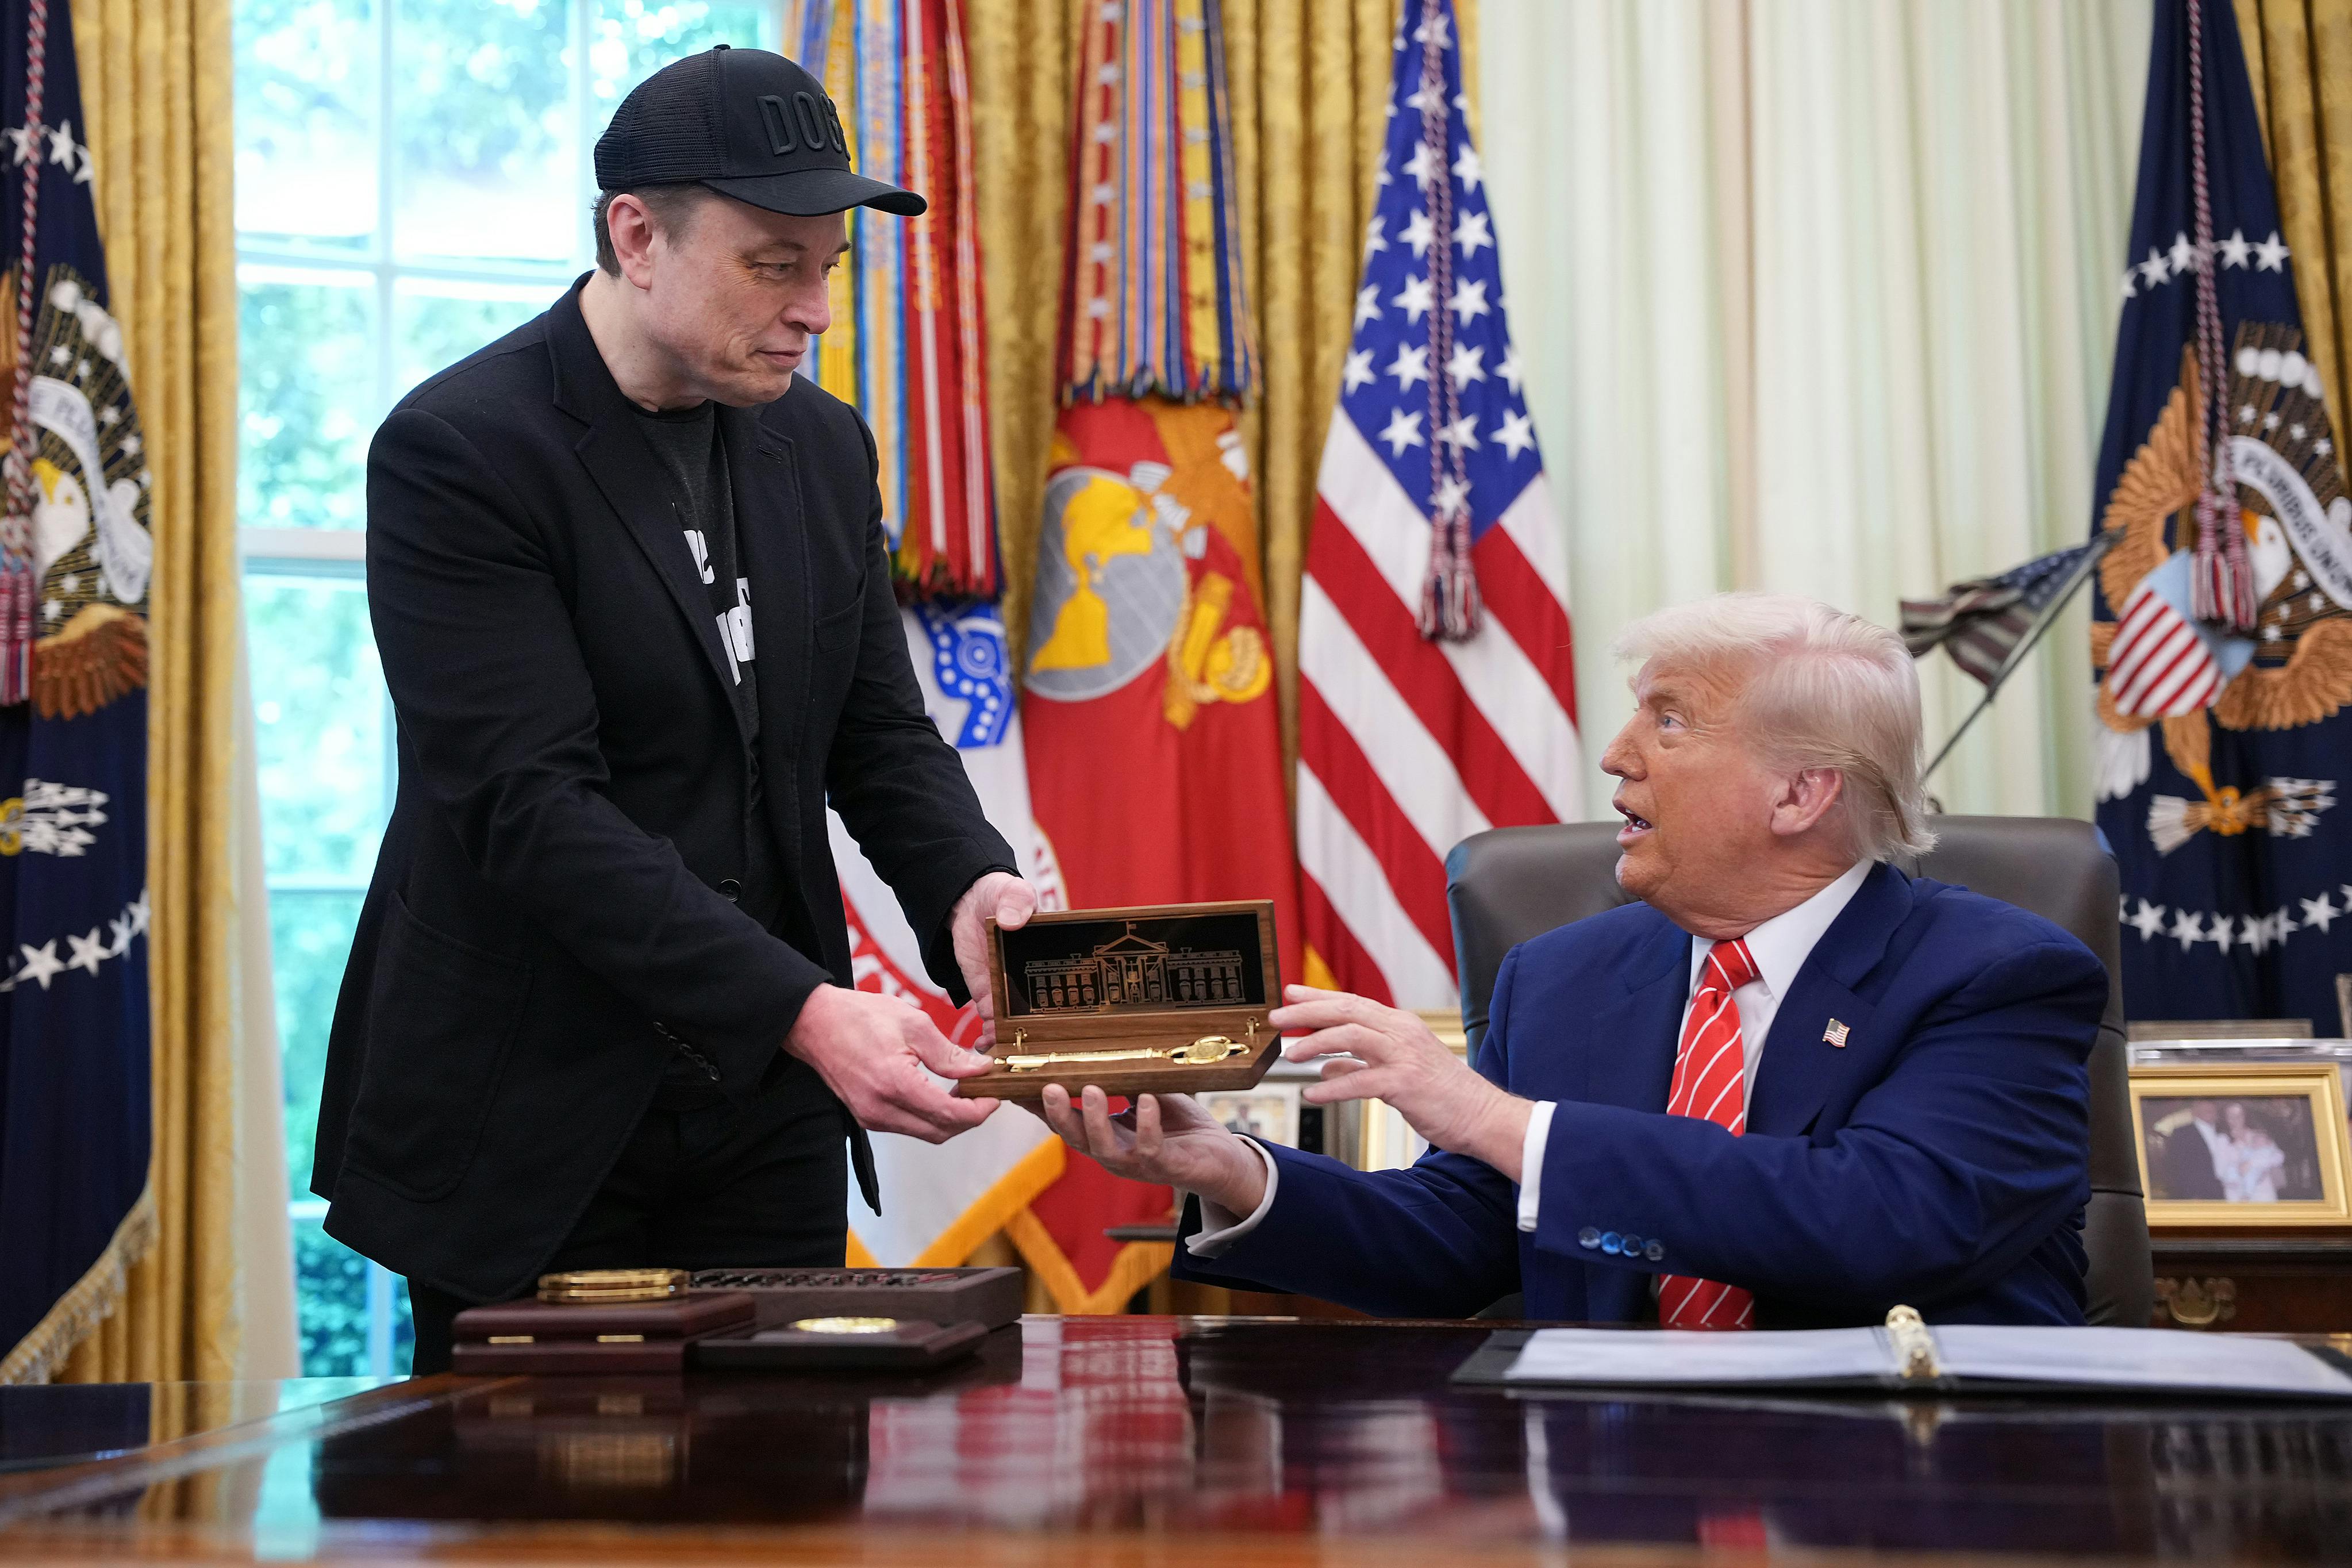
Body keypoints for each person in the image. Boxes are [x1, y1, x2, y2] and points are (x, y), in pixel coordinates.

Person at [311, 47, 1033, 1373]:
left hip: (764, 1112)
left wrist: (971, 886)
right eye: (774, 263)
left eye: (829, 263)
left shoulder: (820, 443)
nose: (817, 307)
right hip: (533, 1110)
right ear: (636, 236)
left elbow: (874, 732)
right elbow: (531, 811)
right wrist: (812, 1009)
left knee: (793, 1495)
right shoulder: (460, 451)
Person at [1042, 594, 2107, 1328]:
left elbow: (1881, 1218)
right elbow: (1460, 1239)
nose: (1616, 752)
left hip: (1919, 1494)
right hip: (1607, 1482)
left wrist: (1491, 1116)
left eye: (1672, 719)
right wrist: (1229, 1169)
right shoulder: (1562, 978)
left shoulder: (2000, 976)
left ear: (1800, 794)